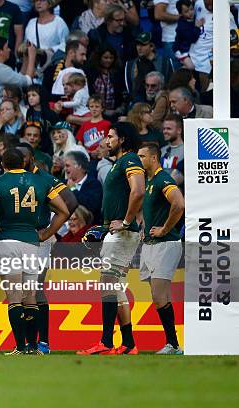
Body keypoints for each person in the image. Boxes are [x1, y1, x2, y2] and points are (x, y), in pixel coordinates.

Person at [0, 148, 69, 354]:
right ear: (23, 163)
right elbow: (64, 210)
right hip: (32, 243)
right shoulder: (41, 182)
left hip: (8, 241)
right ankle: (34, 346)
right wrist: (45, 233)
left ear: (2, 165)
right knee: (30, 296)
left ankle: (20, 346)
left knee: (14, 295)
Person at [77, 122, 145, 355]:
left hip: (123, 232)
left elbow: (138, 191)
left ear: (122, 140)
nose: (106, 140)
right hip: (117, 231)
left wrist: (126, 222)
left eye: (110, 136)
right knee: (115, 287)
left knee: (107, 283)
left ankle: (106, 342)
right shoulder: (121, 163)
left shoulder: (130, 160)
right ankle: (128, 343)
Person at [137, 142, 184, 355]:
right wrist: (144, 226)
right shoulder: (150, 181)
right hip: (151, 245)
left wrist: (165, 229)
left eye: (142, 156)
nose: (139, 160)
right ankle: (172, 344)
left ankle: (173, 344)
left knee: (159, 295)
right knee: (159, 296)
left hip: (165, 244)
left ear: (153, 158)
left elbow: (179, 204)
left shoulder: (163, 179)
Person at [0, 36, 36, 125]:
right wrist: (32, 57)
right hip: (6, 111)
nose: (9, 50)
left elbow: (19, 79)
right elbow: (27, 81)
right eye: (7, 47)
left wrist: (26, 59)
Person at [124, 32, 174, 103]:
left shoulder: (165, 63)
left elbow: (170, 84)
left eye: (143, 45)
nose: (139, 48)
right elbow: (129, 88)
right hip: (137, 105)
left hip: (160, 102)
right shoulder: (130, 64)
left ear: (152, 46)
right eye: (138, 44)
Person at [85, 45, 126, 121]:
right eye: (106, 58)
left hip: (115, 112)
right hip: (95, 112)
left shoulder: (118, 73)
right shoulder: (91, 73)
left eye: (111, 58)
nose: (109, 60)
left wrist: (119, 109)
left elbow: (121, 91)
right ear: (99, 58)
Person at [63, 150, 103, 223]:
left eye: (67, 166)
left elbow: (91, 206)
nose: (65, 169)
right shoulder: (63, 184)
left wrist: (73, 189)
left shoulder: (94, 184)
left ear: (79, 166)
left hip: (88, 228)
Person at [172, 0, 202, 70]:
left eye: (191, 9)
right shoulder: (182, 26)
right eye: (186, 11)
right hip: (182, 50)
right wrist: (197, 27)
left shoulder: (194, 19)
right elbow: (193, 38)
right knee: (191, 67)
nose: (190, 13)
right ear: (181, 14)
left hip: (190, 49)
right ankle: (181, 72)